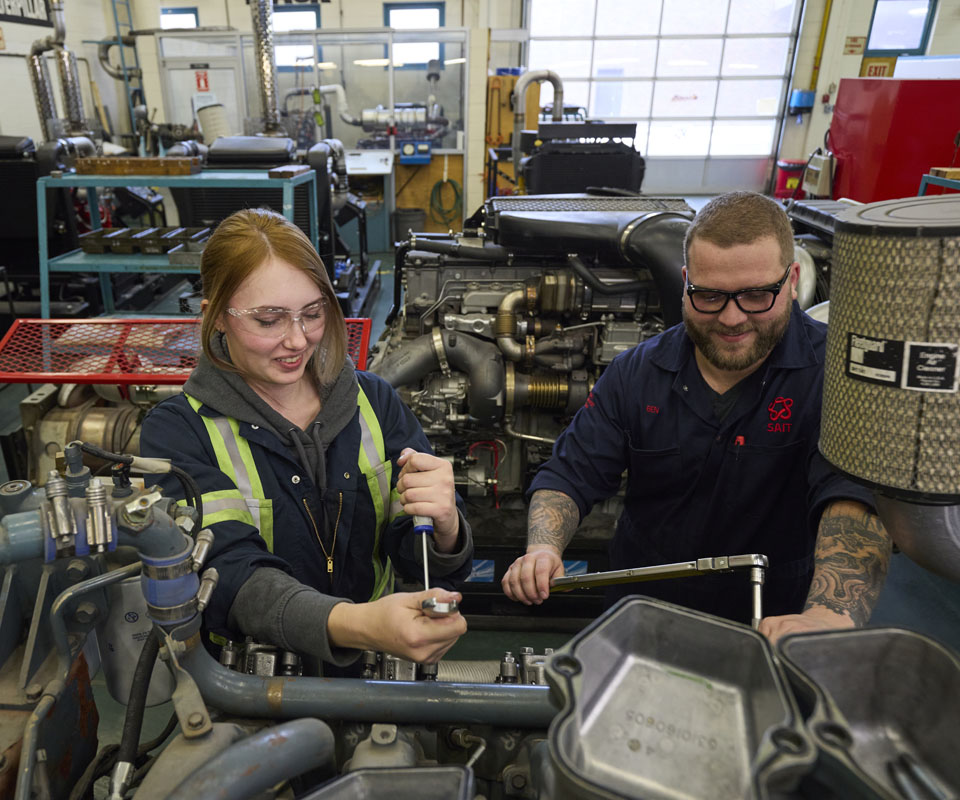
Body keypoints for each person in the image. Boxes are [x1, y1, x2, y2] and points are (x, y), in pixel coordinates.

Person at [501, 191, 891, 642]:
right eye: (708, 296)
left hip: (774, 624)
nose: (731, 318)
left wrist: (830, 613)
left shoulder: (836, 377)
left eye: (756, 295)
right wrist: (543, 548)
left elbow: (853, 499)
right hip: (642, 614)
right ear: (685, 281)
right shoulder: (637, 372)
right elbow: (570, 474)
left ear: (792, 280)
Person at [141, 208, 473, 669]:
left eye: (312, 314)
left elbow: (415, 552)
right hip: (249, 686)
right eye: (269, 319)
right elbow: (230, 577)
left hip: (372, 668)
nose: (297, 340)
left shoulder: (372, 401)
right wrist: (356, 625)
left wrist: (446, 528)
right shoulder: (179, 432)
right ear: (215, 316)